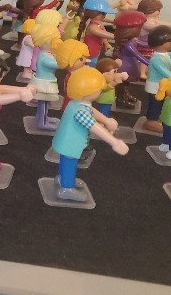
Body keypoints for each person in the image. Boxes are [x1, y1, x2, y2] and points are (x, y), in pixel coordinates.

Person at [51, 66, 129, 202]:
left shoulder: (77, 103)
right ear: (88, 92)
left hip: (68, 142)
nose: (100, 91)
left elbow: (91, 111)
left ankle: (64, 179)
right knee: (70, 163)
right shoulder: (80, 111)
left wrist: (106, 120)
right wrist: (114, 142)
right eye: (98, 90)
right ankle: (67, 188)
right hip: (71, 143)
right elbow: (93, 126)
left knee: (67, 162)